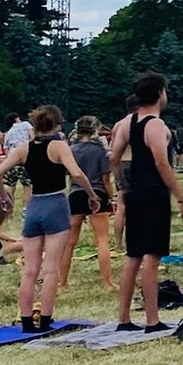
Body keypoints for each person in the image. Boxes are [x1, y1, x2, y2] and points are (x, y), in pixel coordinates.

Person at [0, 105, 101, 331]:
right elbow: (77, 173)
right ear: (58, 124)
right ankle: (47, 319)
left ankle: (27, 321)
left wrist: (3, 197)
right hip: (56, 204)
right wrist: (92, 195)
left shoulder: (24, 149)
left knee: (30, 269)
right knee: (51, 269)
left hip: (34, 206)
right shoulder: (59, 146)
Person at [109, 75, 183, 330]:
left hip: (134, 191)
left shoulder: (126, 123)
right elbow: (161, 163)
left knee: (133, 256)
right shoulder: (155, 124)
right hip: (153, 192)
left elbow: (113, 157)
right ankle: (152, 319)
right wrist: (181, 195)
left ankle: (124, 318)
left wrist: (123, 184)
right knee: (152, 257)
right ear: (159, 93)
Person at [62, 116, 116, 291]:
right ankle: (107, 282)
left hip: (76, 194)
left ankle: (62, 282)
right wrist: (111, 197)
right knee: (102, 240)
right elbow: (106, 178)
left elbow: (71, 176)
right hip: (98, 193)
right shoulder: (100, 151)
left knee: (69, 242)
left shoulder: (71, 150)